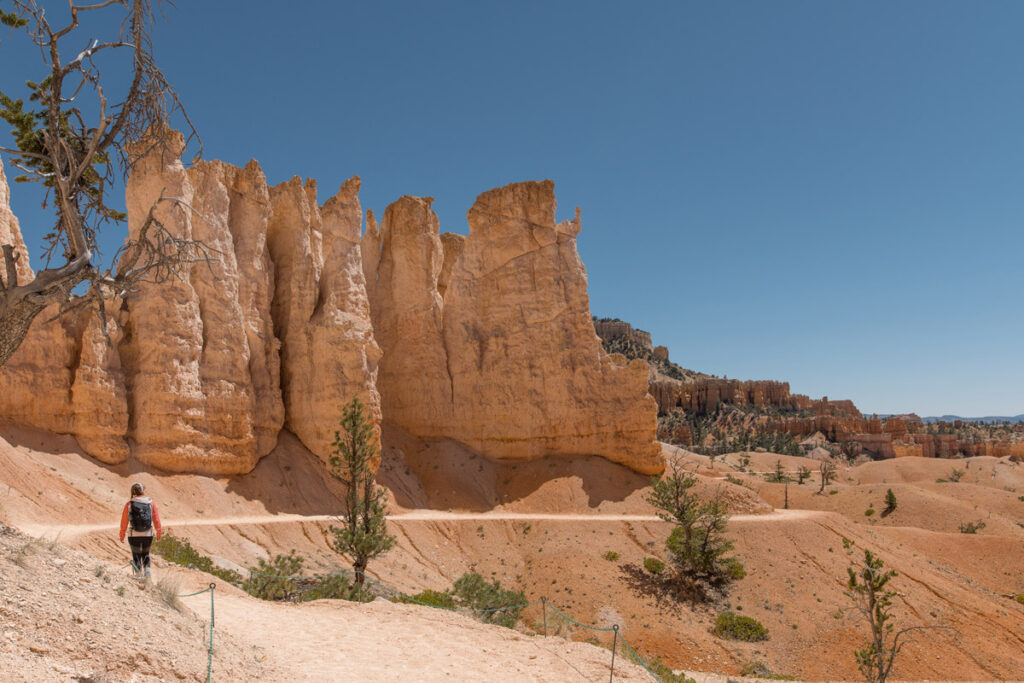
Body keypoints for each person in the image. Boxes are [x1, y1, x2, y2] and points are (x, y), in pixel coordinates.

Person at [118, 482, 162, 578]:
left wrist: (122, 535)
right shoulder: (150, 503)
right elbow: (156, 519)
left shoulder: (129, 504)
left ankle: (138, 576)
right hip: (148, 534)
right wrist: (159, 532)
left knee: (136, 555)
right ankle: (147, 573)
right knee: (146, 554)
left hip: (133, 535)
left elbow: (124, 522)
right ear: (142, 491)